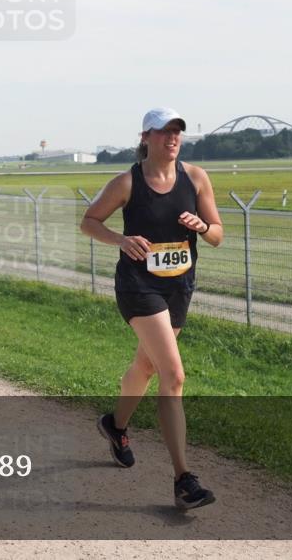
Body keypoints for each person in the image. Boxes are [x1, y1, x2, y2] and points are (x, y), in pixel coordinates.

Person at [80, 108, 223, 511]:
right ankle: (183, 479)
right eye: (164, 132)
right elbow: (89, 222)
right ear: (146, 136)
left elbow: (217, 236)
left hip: (179, 285)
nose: (172, 138)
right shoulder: (127, 182)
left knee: (145, 366)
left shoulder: (196, 178)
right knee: (173, 374)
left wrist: (201, 227)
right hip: (139, 287)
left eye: (177, 131)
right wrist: (120, 240)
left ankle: (115, 425)